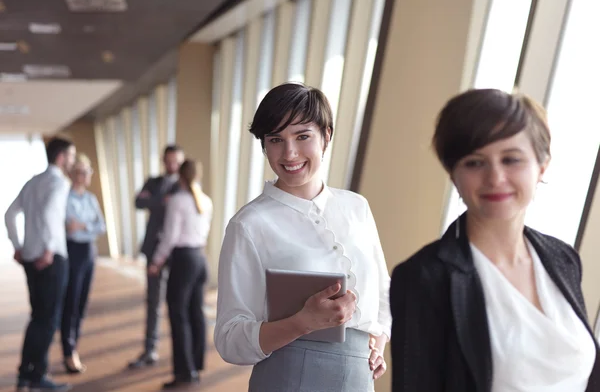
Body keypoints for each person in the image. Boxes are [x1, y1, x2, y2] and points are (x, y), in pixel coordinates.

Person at [389, 89, 600, 391]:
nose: (495, 178)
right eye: (474, 163)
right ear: (453, 175)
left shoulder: (562, 258)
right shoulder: (425, 277)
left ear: (541, 166)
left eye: (511, 159)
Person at [215, 83, 391, 392]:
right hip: (288, 377)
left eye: (302, 136)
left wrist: (378, 341)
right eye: (275, 140)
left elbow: (384, 292)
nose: (289, 153)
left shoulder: (356, 207)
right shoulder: (249, 225)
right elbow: (229, 339)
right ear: (264, 145)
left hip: (358, 378)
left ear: (326, 135)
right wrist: (302, 322)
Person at [4, 137, 76, 391]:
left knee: (38, 318)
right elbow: (49, 215)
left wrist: (17, 246)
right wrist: (48, 248)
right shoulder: (59, 182)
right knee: (48, 320)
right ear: (61, 157)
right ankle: (37, 377)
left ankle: (26, 375)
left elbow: (9, 213)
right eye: (71, 156)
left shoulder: (33, 182)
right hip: (51, 258)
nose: (73, 161)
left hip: (31, 257)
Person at [148, 159, 213, 389]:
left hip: (183, 261)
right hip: (200, 259)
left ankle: (184, 373)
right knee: (196, 313)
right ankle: (196, 366)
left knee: (179, 316)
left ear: (181, 177)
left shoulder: (177, 200)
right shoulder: (205, 200)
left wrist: (156, 261)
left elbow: (170, 236)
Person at [128, 144, 184, 369]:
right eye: (169, 161)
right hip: (154, 250)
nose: (172, 165)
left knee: (177, 304)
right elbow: (138, 202)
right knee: (153, 302)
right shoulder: (153, 182)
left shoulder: (185, 186)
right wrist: (161, 200)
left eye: (176, 162)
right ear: (163, 161)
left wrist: (155, 200)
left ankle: (180, 355)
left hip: (178, 252)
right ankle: (150, 350)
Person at [61, 153, 106, 374]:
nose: (84, 176)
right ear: (72, 174)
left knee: (81, 305)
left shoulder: (90, 199)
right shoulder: (65, 198)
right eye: (79, 172)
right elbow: (69, 227)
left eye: (87, 172)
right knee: (71, 302)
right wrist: (87, 226)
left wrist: (83, 226)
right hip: (73, 252)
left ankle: (73, 347)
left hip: (89, 252)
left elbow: (101, 226)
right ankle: (69, 352)